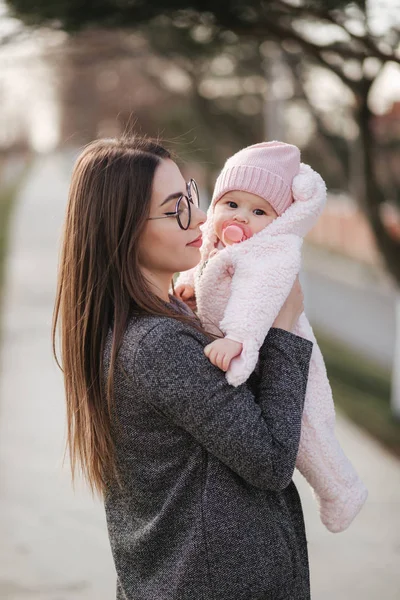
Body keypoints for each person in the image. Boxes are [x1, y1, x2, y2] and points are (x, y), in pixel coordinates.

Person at [52, 135, 314, 600]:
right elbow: (272, 460)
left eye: (191, 196)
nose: (199, 217)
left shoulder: (156, 319)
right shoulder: (157, 343)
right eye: (175, 209)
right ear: (122, 228)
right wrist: (285, 331)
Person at [175, 141, 368, 534]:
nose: (241, 217)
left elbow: (257, 297)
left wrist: (239, 341)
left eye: (259, 211)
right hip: (255, 349)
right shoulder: (220, 241)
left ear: (278, 219)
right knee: (289, 433)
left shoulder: (274, 251)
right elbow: (206, 265)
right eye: (232, 204)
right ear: (216, 206)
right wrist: (188, 283)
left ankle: (342, 492)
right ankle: (339, 489)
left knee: (310, 432)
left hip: (280, 342)